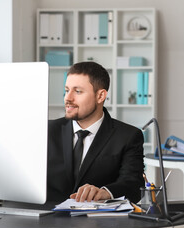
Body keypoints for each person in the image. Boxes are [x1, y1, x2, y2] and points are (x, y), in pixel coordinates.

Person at [47, 61, 145, 203]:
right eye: (67, 90)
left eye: (78, 91)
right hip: (48, 219)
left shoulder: (128, 136)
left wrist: (104, 192)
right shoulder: (48, 130)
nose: (68, 98)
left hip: (97, 222)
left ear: (100, 96)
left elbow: (134, 185)